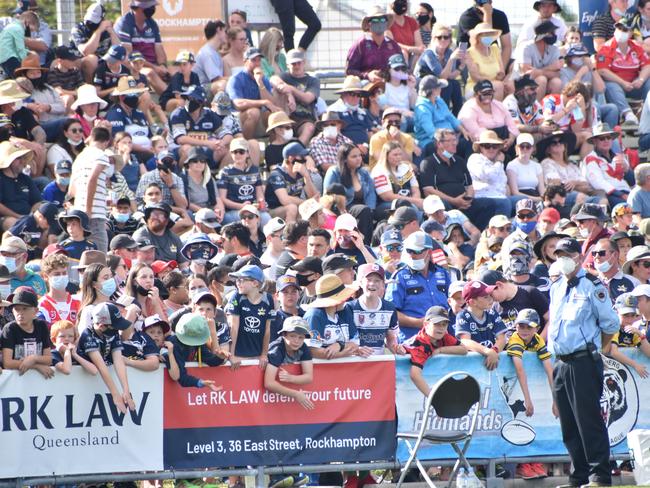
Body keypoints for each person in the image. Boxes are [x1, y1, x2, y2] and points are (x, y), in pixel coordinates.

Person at [547, 237, 619, 488]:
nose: (562, 259)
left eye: (566, 254)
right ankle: (578, 477)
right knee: (568, 423)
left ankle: (600, 475)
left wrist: (599, 346)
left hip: (583, 360)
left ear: (578, 257)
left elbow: (610, 323)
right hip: (561, 362)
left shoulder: (592, 285)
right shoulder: (556, 287)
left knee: (588, 420)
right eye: (558, 255)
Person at [506, 308, 557, 480]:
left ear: (537, 328)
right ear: (515, 326)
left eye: (529, 327)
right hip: (509, 391)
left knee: (532, 423)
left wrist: (555, 400)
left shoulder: (536, 339)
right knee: (515, 426)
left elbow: (549, 369)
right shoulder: (514, 339)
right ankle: (522, 464)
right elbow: (519, 370)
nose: (525, 330)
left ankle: (532, 461)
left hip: (521, 389)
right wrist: (528, 400)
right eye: (521, 326)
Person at [385, 231, 451, 340]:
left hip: (442, 340)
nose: (412, 255)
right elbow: (390, 313)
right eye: (409, 251)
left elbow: (454, 303)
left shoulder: (442, 274)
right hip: (412, 342)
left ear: (429, 252)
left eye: (416, 251)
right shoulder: (400, 276)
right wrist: (419, 323)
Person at [76, 302, 136, 413]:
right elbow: (101, 366)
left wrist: (126, 390)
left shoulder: (112, 332)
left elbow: (118, 360)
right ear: (102, 325)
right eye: (115, 327)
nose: (117, 330)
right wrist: (115, 394)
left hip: (98, 380)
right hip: (82, 382)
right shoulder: (87, 335)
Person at [597, 18, 650, 126]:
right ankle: (628, 114)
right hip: (615, 84)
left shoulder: (637, 47)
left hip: (634, 84)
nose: (621, 31)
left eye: (625, 30)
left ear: (631, 33)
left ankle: (647, 112)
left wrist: (640, 80)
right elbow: (602, 71)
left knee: (648, 82)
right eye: (619, 28)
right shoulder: (606, 47)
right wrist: (622, 83)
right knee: (611, 86)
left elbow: (647, 66)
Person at [323, 143, 377, 242]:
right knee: (364, 210)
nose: (358, 159)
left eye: (360, 155)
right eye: (354, 156)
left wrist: (372, 208)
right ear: (344, 159)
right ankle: (363, 244)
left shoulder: (364, 172)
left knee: (385, 211)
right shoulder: (334, 172)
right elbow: (327, 197)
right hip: (341, 206)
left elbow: (371, 193)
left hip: (364, 207)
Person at [225, 264, 275, 369]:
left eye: (241, 280)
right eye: (237, 280)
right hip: (238, 355)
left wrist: (264, 354)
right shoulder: (236, 296)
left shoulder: (269, 299)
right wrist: (232, 355)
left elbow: (267, 330)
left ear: (255, 283)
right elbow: (233, 327)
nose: (237, 283)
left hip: (257, 355)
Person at [226, 47, 283, 139]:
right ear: (245, 61)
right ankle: (245, 145)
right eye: (253, 60)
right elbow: (237, 104)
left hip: (259, 115)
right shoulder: (236, 79)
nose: (257, 64)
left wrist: (260, 83)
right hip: (237, 116)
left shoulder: (263, 79)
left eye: (259, 60)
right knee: (254, 112)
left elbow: (271, 103)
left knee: (275, 114)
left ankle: (274, 147)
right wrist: (263, 102)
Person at [303, 274, 364, 359]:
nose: (346, 300)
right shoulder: (315, 316)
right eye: (343, 297)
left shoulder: (345, 311)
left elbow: (355, 344)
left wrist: (340, 345)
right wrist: (341, 355)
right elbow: (313, 351)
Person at [114, 0, 168, 94]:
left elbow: (160, 51)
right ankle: (172, 98)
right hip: (134, 67)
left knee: (175, 70)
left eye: (152, 6)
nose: (152, 9)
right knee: (150, 73)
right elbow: (129, 57)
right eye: (149, 6)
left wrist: (162, 66)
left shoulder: (152, 23)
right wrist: (154, 68)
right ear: (138, 8)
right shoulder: (124, 23)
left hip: (153, 65)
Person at [347, 263, 402, 355]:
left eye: (377, 281)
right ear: (360, 282)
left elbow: (391, 339)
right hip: (354, 363)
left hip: (378, 364)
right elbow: (345, 339)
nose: (372, 284)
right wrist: (357, 349)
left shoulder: (390, 308)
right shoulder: (349, 307)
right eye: (368, 280)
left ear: (383, 284)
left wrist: (397, 348)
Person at [264, 316, 315, 410]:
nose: (297, 341)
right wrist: (295, 394)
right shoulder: (276, 351)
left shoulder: (303, 347)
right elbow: (269, 383)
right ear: (284, 334)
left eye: (301, 337)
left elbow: (309, 377)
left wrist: (291, 378)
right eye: (293, 336)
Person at [414, 24, 466, 116]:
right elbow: (442, 76)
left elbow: (451, 75)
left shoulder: (449, 52)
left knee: (455, 84)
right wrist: (451, 59)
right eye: (439, 37)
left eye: (446, 37)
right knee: (447, 84)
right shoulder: (429, 54)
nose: (443, 39)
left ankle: (457, 116)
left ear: (450, 39)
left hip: (437, 82)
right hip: (422, 85)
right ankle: (442, 115)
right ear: (433, 38)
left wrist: (462, 65)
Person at [1, 286, 52, 378]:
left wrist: (33, 358)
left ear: (35, 311)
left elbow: (48, 359)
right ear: (12, 311)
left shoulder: (41, 326)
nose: (20, 313)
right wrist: (36, 366)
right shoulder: (9, 329)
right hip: (16, 380)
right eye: (17, 309)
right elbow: (7, 363)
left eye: (25, 308)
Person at [271, 49, 319, 145]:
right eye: (293, 64)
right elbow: (273, 79)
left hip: (305, 118)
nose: (296, 66)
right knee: (277, 92)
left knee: (309, 128)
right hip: (285, 115)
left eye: (299, 63)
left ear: (304, 62)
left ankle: (297, 150)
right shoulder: (284, 77)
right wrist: (289, 94)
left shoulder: (313, 81)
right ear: (288, 65)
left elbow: (308, 98)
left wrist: (291, 90)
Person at [164, 312, 223, 390]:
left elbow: (210, 360)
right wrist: (200, 382)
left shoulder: (198, 344)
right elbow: (181, 378)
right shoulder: (173, 344)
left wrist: (221, 357)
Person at [414, 75, 470, 156]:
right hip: (433, 141)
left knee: (468, 141)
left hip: (450, 137)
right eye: (439, 87)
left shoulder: (439, 100)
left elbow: (450, 117)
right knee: (447, 147)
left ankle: (463, 167)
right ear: (433, 90)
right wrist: (450, 140)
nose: (441, 89)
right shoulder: (422, 108)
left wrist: (463, 131)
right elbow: (432, 132)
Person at [265, 142, 319, 221]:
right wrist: (306, 202)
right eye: (302, 156)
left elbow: (314, 197)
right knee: (292, 208)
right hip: (274, 210)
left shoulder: (300, 172)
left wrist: (306, 176)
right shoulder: (276, 175)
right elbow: (285, 200)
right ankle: (290, 233)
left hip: (295, 206)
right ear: (291, 158)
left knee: (312, 208)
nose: (305, 159)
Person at [346, 6, 401, 82]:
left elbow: (402, 68)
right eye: (375, 20)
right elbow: (349, 71)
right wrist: (367, 75)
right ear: (368, 24)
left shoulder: (393, 45)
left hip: (390, 84)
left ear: (386, 23)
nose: (379, 22)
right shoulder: (360, 44)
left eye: (382, 19)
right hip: (366, 85)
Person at [217, 139, 266, 225]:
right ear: (231, 154)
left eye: (241, 152)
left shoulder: (255, 170)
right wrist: (242, 206)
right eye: (234, 152)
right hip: (233, 211)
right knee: (251, 218)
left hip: (253, 209)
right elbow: (222, 199)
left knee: (266, 218)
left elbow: (259, 194)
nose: (238, 155)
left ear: (247, 153)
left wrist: (261, 203)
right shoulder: (225, 172)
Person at [582, 123, 631, 207]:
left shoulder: (619, 157)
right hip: (609, 195)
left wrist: (627, 170)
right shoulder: (590, 159)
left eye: (608, 137)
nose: (606, 141)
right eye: (602, 138)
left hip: (628, 192)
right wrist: (621, 195)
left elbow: (633, 181)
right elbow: (598, 183)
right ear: (594, 141)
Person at [458, 80, 519, 146]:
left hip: (503, 139)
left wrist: (510, 140)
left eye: (490, 93)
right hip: (482, 141)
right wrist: (499, 144)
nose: (487, 95)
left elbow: (512, 126)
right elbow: (476, 132)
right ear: (475, 95)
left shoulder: (499, 105)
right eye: (484, 93)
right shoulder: (468, 109)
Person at [516, 20, 563, 101]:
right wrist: (549, 68)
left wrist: (540, 72)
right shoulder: (527, 47)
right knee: (542, 80)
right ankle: (535, 110)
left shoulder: (554, 49)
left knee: (557, 82)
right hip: (525, 85)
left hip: (546, 81)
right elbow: (527, 74)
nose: (554, 35)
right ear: (544, 35)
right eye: (551, 32)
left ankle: (552, 109)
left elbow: (557, 74)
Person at [457, 0, 512, 67]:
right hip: (469, 60)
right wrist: (487, 13)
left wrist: (501, 69)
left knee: (513, 65)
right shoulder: (467, 17)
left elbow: (507, 46)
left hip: (491, 58)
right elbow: (485, 42)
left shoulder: (500, 16)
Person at [465, 23, 507, 99]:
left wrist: (500, 76)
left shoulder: (495, 49)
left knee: (509, 86)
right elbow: (476, 77)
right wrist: (493, 82)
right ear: (477, 37)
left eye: (490, 34)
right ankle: (494, 110)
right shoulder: (470, 52)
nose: (488, 37)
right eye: (484, 35)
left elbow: (502, 73)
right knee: (499, 86)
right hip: (475, 87)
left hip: (495, 85)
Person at [182, 147, 225, 220]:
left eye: (202, 161)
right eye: (195, 161)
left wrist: (220, 212)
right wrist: (207, 213)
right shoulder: (183, 179)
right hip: (193, 213)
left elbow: (217, 199)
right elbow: (187, 204)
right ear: (188, 163)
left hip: (211, 212)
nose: (199, 163)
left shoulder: (209, 178)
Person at [506, 133, 545, 200]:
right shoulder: (512, 165)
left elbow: (542, 191)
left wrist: (544, 199)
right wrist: (537, 199)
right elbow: (515, 192)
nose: (525, 149)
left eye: (528, 146)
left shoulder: (537, 166)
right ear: (516, 148)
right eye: (522, 146)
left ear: (533, 149)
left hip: (536, 195)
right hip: (520, 198)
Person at [194, 19, 227, 96]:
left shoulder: (213, 52)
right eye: (225, 31)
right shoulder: (207, 53)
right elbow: (217, 80)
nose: (226, 35)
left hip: (208, 90)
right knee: (223, 84)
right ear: (219, 30)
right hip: (201, 92)